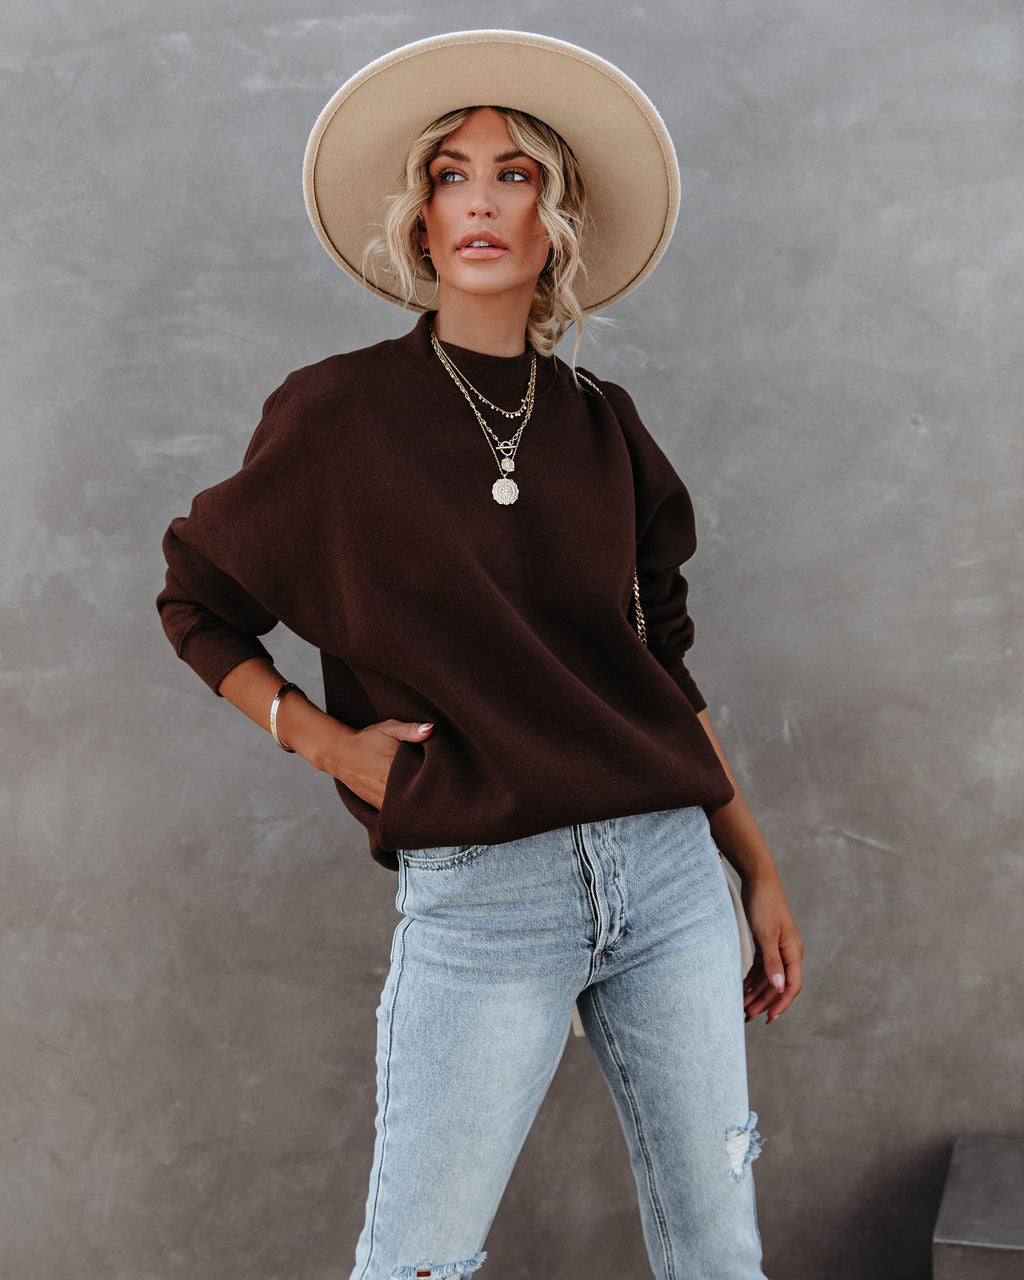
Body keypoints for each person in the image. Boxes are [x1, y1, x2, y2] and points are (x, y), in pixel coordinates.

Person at [157, 30, 803, 1280]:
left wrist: (756, 865)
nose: (480, 202)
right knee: (417, 1262)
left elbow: (661, 673)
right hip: (485, 894)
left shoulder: (605, 426)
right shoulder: (338, 412)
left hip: (668, 874)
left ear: (554, 219)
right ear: (420, 216)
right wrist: (323, 740)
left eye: (514, 175)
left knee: (719, 1255)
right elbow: (195, 599)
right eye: (452, 175)